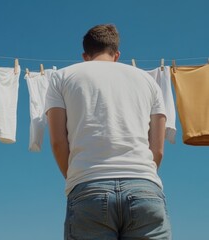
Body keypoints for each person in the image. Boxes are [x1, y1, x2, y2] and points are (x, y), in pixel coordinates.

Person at [45, 24, 172, 240]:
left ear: (85, 55)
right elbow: (157, 149)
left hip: (88, 186)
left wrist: (77, 177)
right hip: (144, 186)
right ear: (117, 54)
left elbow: (58, 142)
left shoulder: (61, 77)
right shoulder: (149, 81)